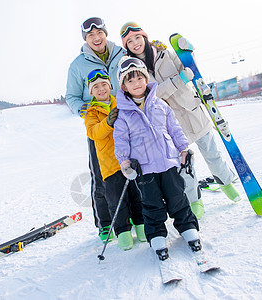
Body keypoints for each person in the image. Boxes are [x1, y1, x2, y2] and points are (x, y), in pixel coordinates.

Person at [119, 22, 241, 220]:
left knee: (212, 153)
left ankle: (227, 183)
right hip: (169, 121)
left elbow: (188, 67)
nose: (135, 43)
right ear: (126, 46)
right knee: (185, 165)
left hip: (192, 111)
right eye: (129, 41)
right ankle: (194, 201)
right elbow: (153, 93)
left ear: (145, 37)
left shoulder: (164, 53)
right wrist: (178, 80)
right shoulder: (135, 70)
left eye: (137, 38)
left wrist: (189, 51)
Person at [113, 57, 201, 260]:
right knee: (152, 204)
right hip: (144, 168)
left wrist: (183, 149)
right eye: (130, 81)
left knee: (178, 197)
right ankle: (157, 236)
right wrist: (125, 162)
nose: (136, 84)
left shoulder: (160, 104)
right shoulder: (124, 114)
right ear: (124, 86)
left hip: (169, 162)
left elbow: (174, 128)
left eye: (139, 78)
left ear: (146, 79)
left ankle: (188, 228)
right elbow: (121, 141)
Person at [66, 17, 126, 242]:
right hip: (100, 127)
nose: (96, 38)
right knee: (102, 176)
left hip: (127, 123)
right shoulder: (78, 65)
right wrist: (86, 111)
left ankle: (132, 216)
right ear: (85, 39)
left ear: (105, 33)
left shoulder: (121, 54)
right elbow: (71, 96)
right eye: (90, 35)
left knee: (131, 169)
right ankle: (105, 223)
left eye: (98, 33)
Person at [84, 69, 146, 250]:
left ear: (110, 86)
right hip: (109, 164)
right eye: (96, 87)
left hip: (128, 158)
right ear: (91, 91)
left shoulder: (120, 102)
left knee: (136, 194)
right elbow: (93, 133)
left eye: (104, 84)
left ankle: (141, 225)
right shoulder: (91, 112)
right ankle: (123, 231)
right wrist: (108, 123)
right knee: (116, 198)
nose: (101, 89)